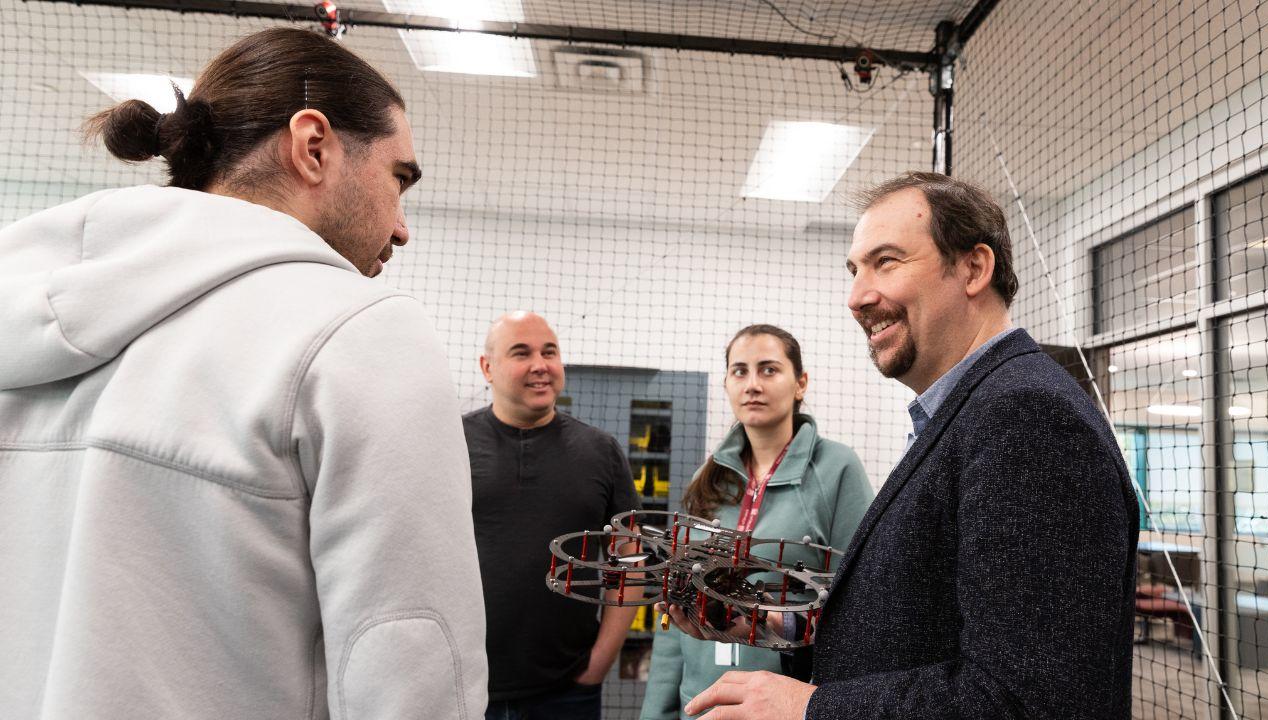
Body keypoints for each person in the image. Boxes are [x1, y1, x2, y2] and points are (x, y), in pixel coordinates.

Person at [0, 28, 486, 719]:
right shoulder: (361, 333)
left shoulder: (20, 316)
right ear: (313, 146)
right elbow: (409, 655)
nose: (402, 226)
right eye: (397, 178)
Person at [682, 172, 1139, 719]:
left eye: (887, 262)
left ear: (973, 268)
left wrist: (810, 709)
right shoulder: (965, 412)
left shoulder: (1026, 417)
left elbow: (1026, 700)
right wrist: (775, 622)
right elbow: (922, 623)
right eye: (855, 270)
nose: (857, 297)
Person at [640, 324, 874, 720]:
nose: (752, 384)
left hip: (786, 707)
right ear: (727, 384)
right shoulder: (706, 477)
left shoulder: (837, 469)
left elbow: (862, 605)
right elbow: (673, 618)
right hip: (700, 706)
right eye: (740, 371)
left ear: (800, 383)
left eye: (769, 370)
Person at [463, 311, 640, 720]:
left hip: (567, 690)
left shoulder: (602, 451)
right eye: (521, 352)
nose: (540, 365)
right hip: (466, 684)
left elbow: (630, 562)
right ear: (487, 367)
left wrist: (599, 663)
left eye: (550, 351)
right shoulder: (453, 443)